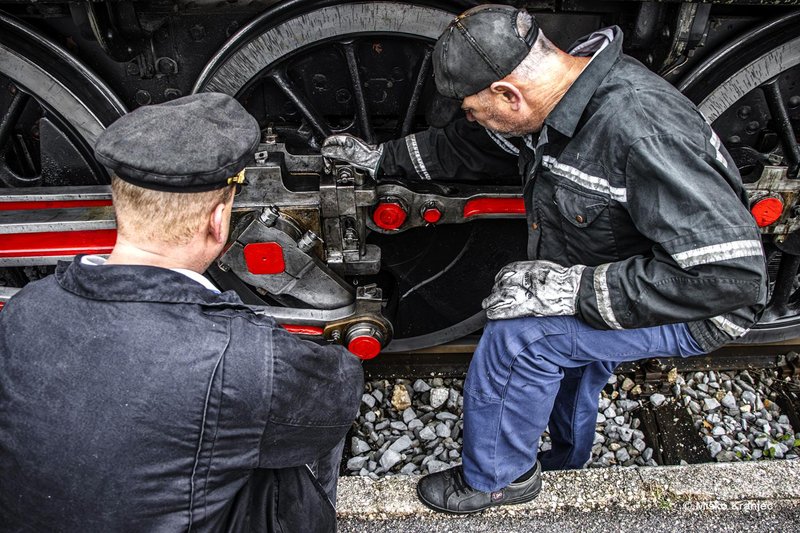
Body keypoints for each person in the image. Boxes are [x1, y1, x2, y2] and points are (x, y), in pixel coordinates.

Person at [322, 4, 767, 515]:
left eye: (473, 108)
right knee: (575, 353)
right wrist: (382, 160)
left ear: (508, 94)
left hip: (699, 303)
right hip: (626, 265)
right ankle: (567, 460)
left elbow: (730, 277)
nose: (471, 118)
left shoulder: (641, 131)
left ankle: (497, 479)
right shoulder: (563, 95)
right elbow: (472, 148)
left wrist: (575, 290)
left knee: (522, 338)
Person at [0, 93, 363, 531]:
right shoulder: (241, 358)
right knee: (294, 434)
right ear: (218, 220)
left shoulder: (25, 309)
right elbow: (338, 397)